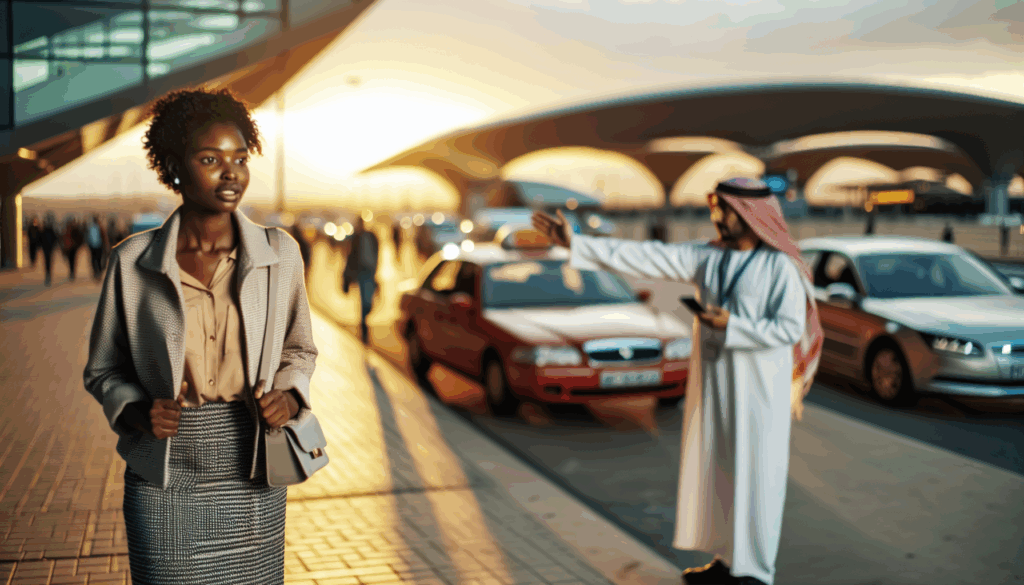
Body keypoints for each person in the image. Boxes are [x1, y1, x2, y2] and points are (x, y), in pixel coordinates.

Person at [532, 177, 823, 585]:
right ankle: (726, 564)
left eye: (723, 209)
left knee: (755, 480)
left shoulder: (780, 267)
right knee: (718, 475)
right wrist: (577, 242)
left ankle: (754, 574)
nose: (715, 216)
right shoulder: (709, 258)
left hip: (758, 395)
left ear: (747, 214)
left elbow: (790, 330)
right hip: (716, 387)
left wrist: (733, 325)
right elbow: (647, 256)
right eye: (714, 207)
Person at [83, 87, 318, 585]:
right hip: (163, 471)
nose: (230, 172)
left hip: (253, 466)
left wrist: (292, 395)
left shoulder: (281, 255)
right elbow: (104, 367)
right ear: (173, 166)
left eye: (239, 158)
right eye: (210, 158)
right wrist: (132, 410)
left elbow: (299, 348)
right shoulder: (132, 262)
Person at [343, 215, 379, 343]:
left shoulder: (371, 236)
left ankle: (364, 319)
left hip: (370, 272)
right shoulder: (355, 238)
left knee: (369, 301)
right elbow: (350, 256)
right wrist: (347, 275)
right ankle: (364, 325)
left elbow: (376, 252)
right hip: (361, 272)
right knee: (365, 299)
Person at [85, 213, 109, 281]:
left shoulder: (100, 227)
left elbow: (104, 237)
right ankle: (95, 272)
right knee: (93, 260)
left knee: (99, 260)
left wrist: (106, 246)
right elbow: (87, 237)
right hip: (92, 246)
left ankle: (99, 273)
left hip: (99, 246)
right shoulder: (90, 228)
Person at [39, 212, 59, 286]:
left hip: (49, 248)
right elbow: (40, 239)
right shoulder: (45, 230)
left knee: (48, 262)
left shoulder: (49, 230)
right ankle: (48, 275)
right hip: (47, 248)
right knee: (48, 262)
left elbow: (55, 239)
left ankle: (48, 275)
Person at [62, 215, 84, 281]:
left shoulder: (75, 229)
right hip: (69, 248)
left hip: (73, 248)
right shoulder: (66, 229)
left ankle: (72, 272)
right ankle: (71, 272)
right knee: (70, 261)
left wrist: (77, 245)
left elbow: (80, 239)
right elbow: (63, 239)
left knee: (73, 260)